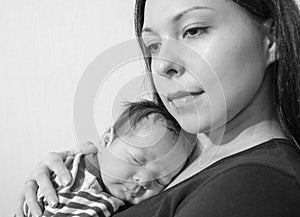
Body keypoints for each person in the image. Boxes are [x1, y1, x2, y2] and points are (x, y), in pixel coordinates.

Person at [15, 0, 300, 216]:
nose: (162, 65)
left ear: (271, 37)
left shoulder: (253, 187)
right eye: (153, 45)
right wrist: (67, 184)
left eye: (193, 30)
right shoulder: (174, 161)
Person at [23, 100, 196, 217]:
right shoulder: (76, 180)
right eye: (137, 160)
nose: (144, 181)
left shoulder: (114, 200)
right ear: (107, 140)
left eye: (160, 181)